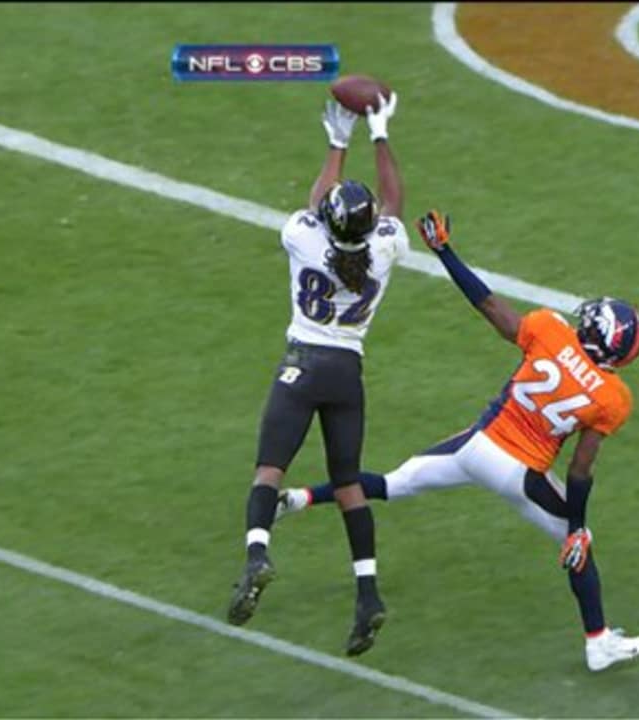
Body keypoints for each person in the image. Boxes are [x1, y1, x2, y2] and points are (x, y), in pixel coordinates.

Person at [276, 210, 639, 671]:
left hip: (477, 447)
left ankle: (298, 497)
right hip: (520, 472)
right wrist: (575, 527)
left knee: (393, 483)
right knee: (580, 542)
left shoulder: (551, 330)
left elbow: (490, 307)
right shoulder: (614, 397)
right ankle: (598, 642)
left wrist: (444, 250)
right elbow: (579, 469)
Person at [227, 92, 409, 658]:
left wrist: (339, 140)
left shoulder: (305, 238)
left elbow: (315, 202)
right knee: (348, 485)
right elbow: (395, 202)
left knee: (268, 471)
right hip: (347, 375)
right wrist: (381, 134)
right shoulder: (381, 251)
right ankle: (367, 595)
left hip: (303, 365)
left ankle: (258, 555)